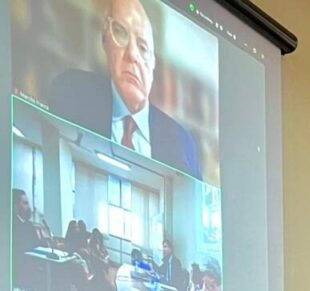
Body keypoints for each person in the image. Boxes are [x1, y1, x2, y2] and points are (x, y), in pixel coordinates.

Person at [49, 0, 201, 179]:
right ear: (105, 39)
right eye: (120, 33)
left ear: (153, 63)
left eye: (143, 47)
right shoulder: (72, 92)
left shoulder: (181, 141)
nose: (132, 54)